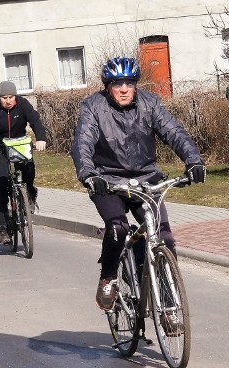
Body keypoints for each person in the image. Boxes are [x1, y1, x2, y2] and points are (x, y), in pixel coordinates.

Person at [71, 57, 206, 319]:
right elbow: (83, 143)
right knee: (117, 228)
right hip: (108, 181)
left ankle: (168, 308)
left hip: (146, 180)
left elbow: (174, 132)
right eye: (117, 83)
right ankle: (108, 278)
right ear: (108, 86)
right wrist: (88, 173)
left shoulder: (150, 103)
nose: (124, 89)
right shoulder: (93, 107)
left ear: (135, 85)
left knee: (163, 238)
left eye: (129, 83)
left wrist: (194, 161)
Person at [0, 81, 47, 245]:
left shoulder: (23, 104)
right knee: (0, 185)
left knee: (28, 169)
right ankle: (3, 227)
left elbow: (36, 121)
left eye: (11, 97)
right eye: (4, 98)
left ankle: (29, 194)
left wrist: (41, 139)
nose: (8, 101)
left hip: (19, 145)